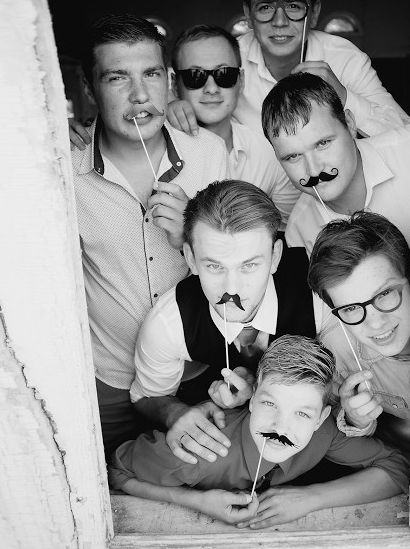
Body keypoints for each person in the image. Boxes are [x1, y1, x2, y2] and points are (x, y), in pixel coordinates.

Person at [71, 13, 230, 458]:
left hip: (198, 371)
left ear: (169, 80)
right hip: (110, 382)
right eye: (117, 77)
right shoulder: (65, 169)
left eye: (151, 74)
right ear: (89, 88)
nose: (140, 95)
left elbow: (241, 265)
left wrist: (194, 235)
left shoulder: (208, 153)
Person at [109, 335, 410, 528]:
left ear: (321, 418)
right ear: (252, 400)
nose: (281, 426)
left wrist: (313, 498)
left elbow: (398, 467)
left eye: (303, 413)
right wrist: (197, 502)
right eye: (269, 403)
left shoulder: (324, 434)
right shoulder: (201, 451)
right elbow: (116, 472)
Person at [129, 180, 321, 466]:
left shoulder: (317, 292)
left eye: (249, 265)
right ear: (191, 259)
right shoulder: (168, 323)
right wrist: (175, 412)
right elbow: (146, 397)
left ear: (275, 257)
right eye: (214, 266)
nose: (232, 289)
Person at [167, 0, 410, 139]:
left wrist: (343, 96)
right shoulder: (227, 60)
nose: (280, 22)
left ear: (314, 14)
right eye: (265, 7)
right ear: (249, 15)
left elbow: (407, 135)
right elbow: (177, 84)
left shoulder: (345, 58)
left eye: (294, 6)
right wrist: (172, 104)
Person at [261, 72, 410, 275]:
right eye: (293, 156)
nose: (314, 170)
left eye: (323, 143)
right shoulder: (299, 235)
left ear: (350, 124)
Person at [308, 212, 410, 455]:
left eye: (384, 294)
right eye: (350, 308)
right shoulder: (336, 354)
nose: (376, 323)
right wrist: (355, 419)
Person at [170, 24, 300, 226]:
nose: (211, 88)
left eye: (224, 74)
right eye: (195, 75)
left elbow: (287, 231)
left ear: (241, 80)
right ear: (174, 84)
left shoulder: (268, 155)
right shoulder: (156, 148)